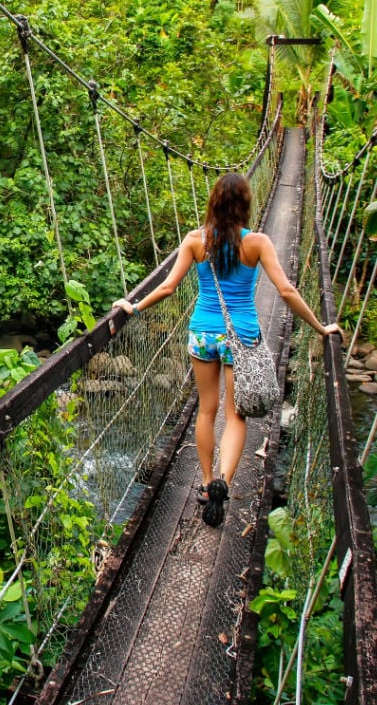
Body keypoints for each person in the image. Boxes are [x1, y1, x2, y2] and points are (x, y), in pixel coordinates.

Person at [112, 172, 340, 528]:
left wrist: (134, 306)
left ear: (213, 202)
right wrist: (321, 327)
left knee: (207, 410)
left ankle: (204, 483)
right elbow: (286, 292)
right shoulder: (259, 242)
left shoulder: (194, 240)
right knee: (235, 415)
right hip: (243, 337)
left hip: (203, 334)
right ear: (246, 204)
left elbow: (169, 287)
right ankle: (224, 482)